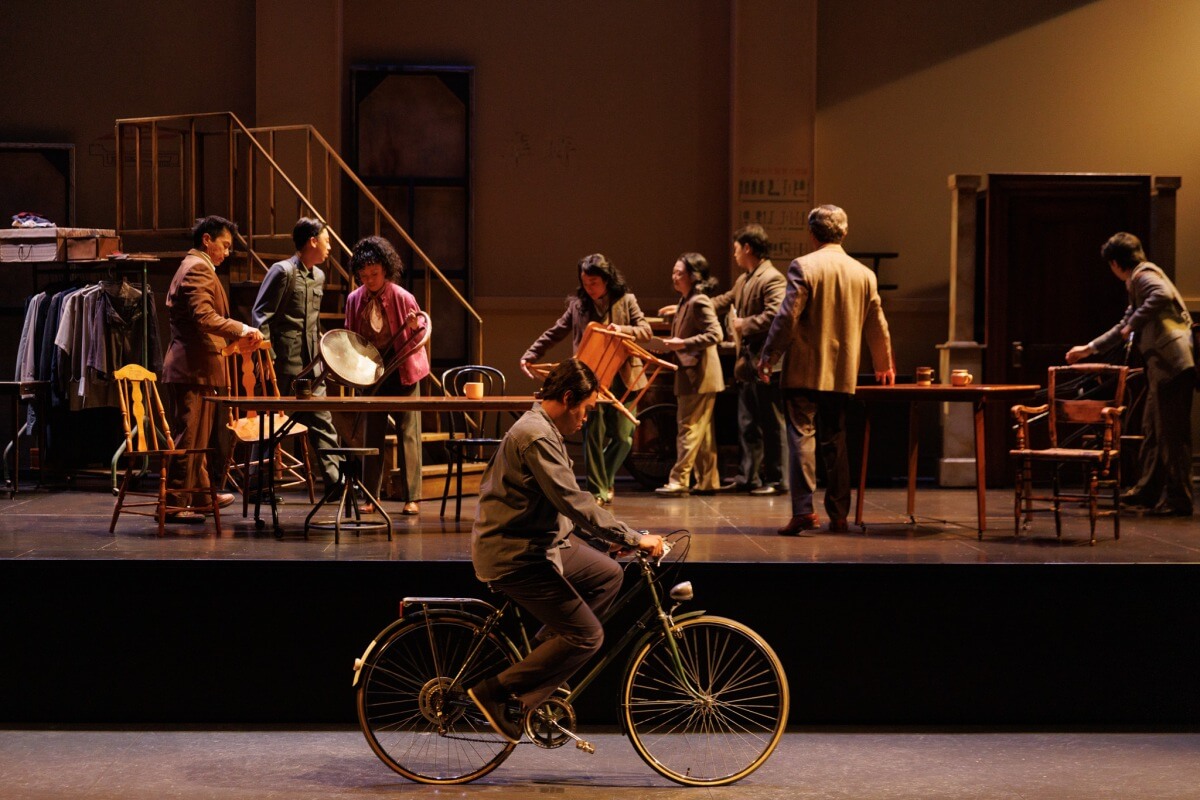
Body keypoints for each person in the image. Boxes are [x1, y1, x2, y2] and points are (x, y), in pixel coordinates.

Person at [468, 358, 665, 743]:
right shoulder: (537, 436)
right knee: (588, 637)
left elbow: (559, 506)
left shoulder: (546, 429)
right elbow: (572, 501)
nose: (587, 418)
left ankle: (549, 656)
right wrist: (632, 536)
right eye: (587, 409)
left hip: (544, 543)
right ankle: (495, 692)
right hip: (515, 555)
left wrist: (603, 539)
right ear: (569, 397)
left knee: (608, 574)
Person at [759, 205, 895, 536]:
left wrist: (768, 356)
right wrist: (884, 362)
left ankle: (804, 511)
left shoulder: (804, 266)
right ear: (844, 233)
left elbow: (787, 317)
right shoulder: (864, 274)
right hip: (842, 371)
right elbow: (877, 321)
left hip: (804, 369)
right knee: (836, 439)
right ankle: (838, 515)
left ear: (811, 233)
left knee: (801, 437)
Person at [1066, 232, 1195, 517]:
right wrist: (1089, 349)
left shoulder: (1142, 276)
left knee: (1171, 436)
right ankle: (1147, 492)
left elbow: (1160, 295)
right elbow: (1124, 323)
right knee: (1152, 430)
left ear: (1114, 263)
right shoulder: (1136, 280)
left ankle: (1178, 499)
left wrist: (1133, 324)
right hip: (1162, 368)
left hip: (1172, 365)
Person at [520, 254, 652, 505]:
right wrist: (530, 354)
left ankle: (603, 478)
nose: (589, 288)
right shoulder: (578, 306)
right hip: (591, 378)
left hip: (624, 376)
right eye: (585, 283)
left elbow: (645, 331)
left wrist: (622, 330)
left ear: (606, 280)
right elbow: (556, 331)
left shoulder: (626, 301)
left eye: (594, 283)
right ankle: (598, 490)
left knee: (625, 436)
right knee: (593, 432)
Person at [162, 216, 261, 522]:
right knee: (189, 438)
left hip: (198, 366)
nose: (228, 252)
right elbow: (203, 317)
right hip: (192, 367)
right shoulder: (198, 270)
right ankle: (174, 504)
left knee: (197, 439)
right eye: (225, 245)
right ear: (207, 239)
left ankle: (203, 497)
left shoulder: (196, 267)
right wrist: (242, 328)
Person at [251, 217, 342, 495]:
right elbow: (261, 315)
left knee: (323, 421)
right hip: (284, 363)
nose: (329, 248)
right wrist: (266, 359)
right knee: (271, 425)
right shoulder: (283, 272)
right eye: (326, 241)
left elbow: (312, 324)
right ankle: (259, 484)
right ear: (312, 240)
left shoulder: (320, 276)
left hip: (312, 365)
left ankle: (336, 483)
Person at [343, 236, 430, 516]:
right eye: (364, 275)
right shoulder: (354, 299)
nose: (369, 280)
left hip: (403, 365)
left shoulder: (402, 297)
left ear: (386, 270)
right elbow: (351, 337)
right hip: (372, 369)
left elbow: (420, 331)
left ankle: (412, 497)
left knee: (408, 432)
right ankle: (370, 496)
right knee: (373, 433)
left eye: (375, 274)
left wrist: (415, 325)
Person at [709, 224, 788, 496]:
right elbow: (724, 300)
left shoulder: (772, 278)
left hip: (766, 361)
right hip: (747, 364)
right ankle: (748, 476)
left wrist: (745, 323)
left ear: (748, 248)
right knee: (748, 422)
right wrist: (690, 303)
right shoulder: (745, 279)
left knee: (771, 423)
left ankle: (778, 479)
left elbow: (776, 314)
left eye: (736, 249)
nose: (734, 254)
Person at [655, 253, 725, 496]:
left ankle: (679, 480)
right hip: (695, 375)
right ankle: (707, 480)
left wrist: (682, 343)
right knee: (701, 432)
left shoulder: (698, 301)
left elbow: (716, 334)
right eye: (674, 271)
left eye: (679, 273)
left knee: (688, 428)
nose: (674, 277)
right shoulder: (687, 300)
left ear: (694, 276)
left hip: (700, 375)